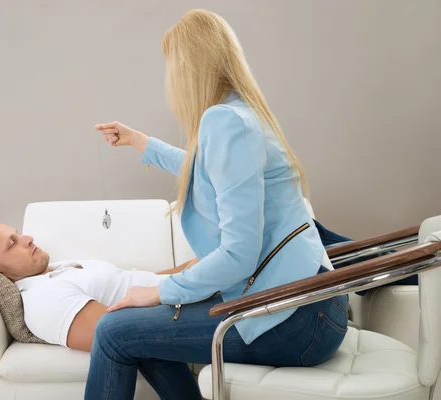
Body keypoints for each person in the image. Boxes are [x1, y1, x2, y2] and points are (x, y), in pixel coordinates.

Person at [88, 9, 348, 399]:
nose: (169, 80)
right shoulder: (241, 113)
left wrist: (158, 290)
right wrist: (139, 141)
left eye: (171, 67)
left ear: (189, 69)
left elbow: (238, 255)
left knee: (113, 332)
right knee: (138, 332)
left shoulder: (224, 121)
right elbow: (205, 168)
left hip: (295, 320)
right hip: (309, 305)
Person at [0, 220, 198, 351]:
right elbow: (118, 335)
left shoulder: (57, 269)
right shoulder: (43, 298)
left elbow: (135, 281)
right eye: (12, 244)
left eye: (18, 233)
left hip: (192, 290)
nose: (28, 238)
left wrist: (189, 268)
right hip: (190, 308)